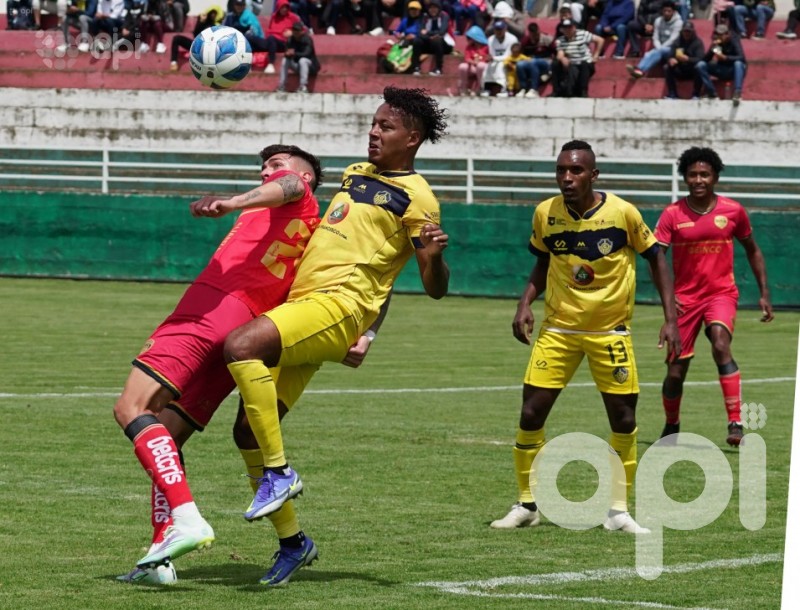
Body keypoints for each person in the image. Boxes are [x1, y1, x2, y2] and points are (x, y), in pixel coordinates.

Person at [223, 86, 451, 586]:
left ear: (411, 138)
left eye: (385, 128)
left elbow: (431, 287)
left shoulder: (420, 198)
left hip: (338, 308)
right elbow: (373, 264)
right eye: (373, 124)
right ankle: (293, 544)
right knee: (247, 432)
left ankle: (279, 475)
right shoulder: (355, 173)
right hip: (304, 307)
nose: (373, 132)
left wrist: (432, 259)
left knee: (239, 346)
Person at [112, 144, 324, 580]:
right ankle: (161, 552)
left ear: (304, 176)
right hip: (239, 328)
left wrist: (232, 202)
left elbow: (289, 183)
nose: (268, 171)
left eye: (277, 164)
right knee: (167, 432)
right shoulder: (301, 224)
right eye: (263, 165)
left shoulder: (297, 193)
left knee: (131, 408)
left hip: (212, 309)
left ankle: (185, 518)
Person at [491, 139, 680, 534]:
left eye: (576, 170)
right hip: (557, 331)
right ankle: (527, 504)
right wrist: (525, 302)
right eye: (561, 170)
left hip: (610, 332)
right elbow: (543, 261)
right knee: (530, 413)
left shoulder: (622, 213)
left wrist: (670, 318)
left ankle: (617, 512)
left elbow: (656, 258)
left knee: (623, 418)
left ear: (593, 175)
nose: (567, 177)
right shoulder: (545, 213)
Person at [654, 147, 773, 447]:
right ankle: (672, 424)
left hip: (721, 294)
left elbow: (753, 250)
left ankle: (735, 422)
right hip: (685, 300)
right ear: (684, 177)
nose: (698, 179)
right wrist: (669, 303)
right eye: (692, 174)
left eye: (704, 174)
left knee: (721, 342)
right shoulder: (671, 214)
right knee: (676, 373)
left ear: (715, 177)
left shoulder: (733, 211)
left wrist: (764, 293)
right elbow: (656, 259)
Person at [625, 1, 682, 79]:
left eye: (669, 11)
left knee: (653, 52)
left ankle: (640, 70)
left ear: (674, 12)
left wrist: (660, 49)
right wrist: (659, 48)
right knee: (650, 53)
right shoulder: (658, 20)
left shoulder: (678, 22)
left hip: (672, 49)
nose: (666, 13)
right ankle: (639, 71)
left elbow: (673, 39)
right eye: (665, 11)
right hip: (660, 48)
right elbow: (655, 37)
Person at [693, 22, 747, 104]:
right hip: (721, 68)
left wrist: (726, 58)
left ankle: (737, 92)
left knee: (738, 63)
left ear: (727, 34)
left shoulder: (734, 40)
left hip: (732, 69)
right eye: (718, 34)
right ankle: (712, 92)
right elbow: (705, 60)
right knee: (700, 65)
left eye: (721, 35)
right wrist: (711, 49)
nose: (719, 37)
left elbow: (741, 57)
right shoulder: (717, 43)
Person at [247, 0, 303, 74]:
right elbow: (270, 30)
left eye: (286, 7)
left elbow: (303, 30)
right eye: (282, 7)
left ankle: (271, 64)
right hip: (270, 41)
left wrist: (292, 32)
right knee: (249, 38)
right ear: (278, 7)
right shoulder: (274, 16)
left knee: (271, 38)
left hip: (283, 43)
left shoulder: (293, 17)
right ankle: (247, 65)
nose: (284, 9)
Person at [551, 18, 602, 97]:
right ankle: (556, 90)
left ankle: (583, 91)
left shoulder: (583, 34)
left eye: (569, 27)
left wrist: (596, 55)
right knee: (555, 64)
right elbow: (559, 54)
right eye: (565, 28)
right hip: (572, 65)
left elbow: (600, 40)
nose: (567, 30)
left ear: (574, 27)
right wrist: (562, 58)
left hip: (585, 63)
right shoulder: (560, 40)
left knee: (585, 65)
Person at [170, 4, 224, 71]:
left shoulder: (218, 25)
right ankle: (173, 62)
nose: (213, 15)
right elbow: (195, 34)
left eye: (215, 13)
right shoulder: (203, 21)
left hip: (209, 49)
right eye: (212, 13)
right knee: (177, 38)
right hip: (198, 45)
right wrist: (201, 22)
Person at [663, 20, 704, 99]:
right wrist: (671, 60)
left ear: (692, 32)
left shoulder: (697, 43)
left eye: (689, 31)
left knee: (700, 67)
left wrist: (688, 59)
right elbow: (670, 55)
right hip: (680, 69)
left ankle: (696, 94)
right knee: (666, 67)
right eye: (685, 31)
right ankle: (672, 93)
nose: (686, 34)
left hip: (692, 70)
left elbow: (701, 58)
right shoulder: (677, 42)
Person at [410, 0, 453, 76]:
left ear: (438, 8)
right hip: (429, 42)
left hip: (444, 44)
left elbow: (442, 31)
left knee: (437, 40)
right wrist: (430, 36)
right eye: (431, 8)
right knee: (417, 41)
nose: (432, 10)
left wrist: (428, 33)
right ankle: (416, 67)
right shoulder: (425, 17)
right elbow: (420, 32)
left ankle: (438, 68)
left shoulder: (444, 16)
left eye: (435, 8)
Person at [277, 21, 320, 93]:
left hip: (310, 66)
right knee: (285, 60)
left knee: (303, 60)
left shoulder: (307, 39)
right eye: (294, 30)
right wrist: (287, 54)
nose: (295, 32)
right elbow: (287, 52)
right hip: (297, 65)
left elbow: (307, 53)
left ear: (302, 31)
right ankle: (281, 86)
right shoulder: (290, 40)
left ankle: (303, 86)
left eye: (297, 30)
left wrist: (294, 53)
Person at [516, 21, 555, 98]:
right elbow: (521, 54)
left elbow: (556, 52)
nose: (535, 36)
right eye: (532, 35)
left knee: (533, 62)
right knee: (519, 64)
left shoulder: (547, 39)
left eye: (536, 34)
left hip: (546, 61)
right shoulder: (526, 41)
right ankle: (523, 88)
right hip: (530, 60)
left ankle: (534, 89)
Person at [483, 19, 518, 96]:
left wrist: (494, 58)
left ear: (505, 29)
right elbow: (491, 53)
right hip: (495, 60)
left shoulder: (512, 39)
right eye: (496, 29)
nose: (498, 32)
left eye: (500, 29)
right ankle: (487, 88)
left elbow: (509, 55)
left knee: (501, 65)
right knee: (487, 66)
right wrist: (491, 58)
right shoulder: (490, 39)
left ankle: (504, 89)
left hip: (510, 60)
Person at [457, 23, 489, 95]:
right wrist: (473, 62)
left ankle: (481, 87)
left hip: (483, 67)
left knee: (481, 65)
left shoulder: (486, 47)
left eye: (470, 38)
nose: (468, 40)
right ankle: (463, 88)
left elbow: (488, 58)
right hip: (472, 67)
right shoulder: (469, 47)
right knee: (462, 66)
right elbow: (467, 59)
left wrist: (480, 62)